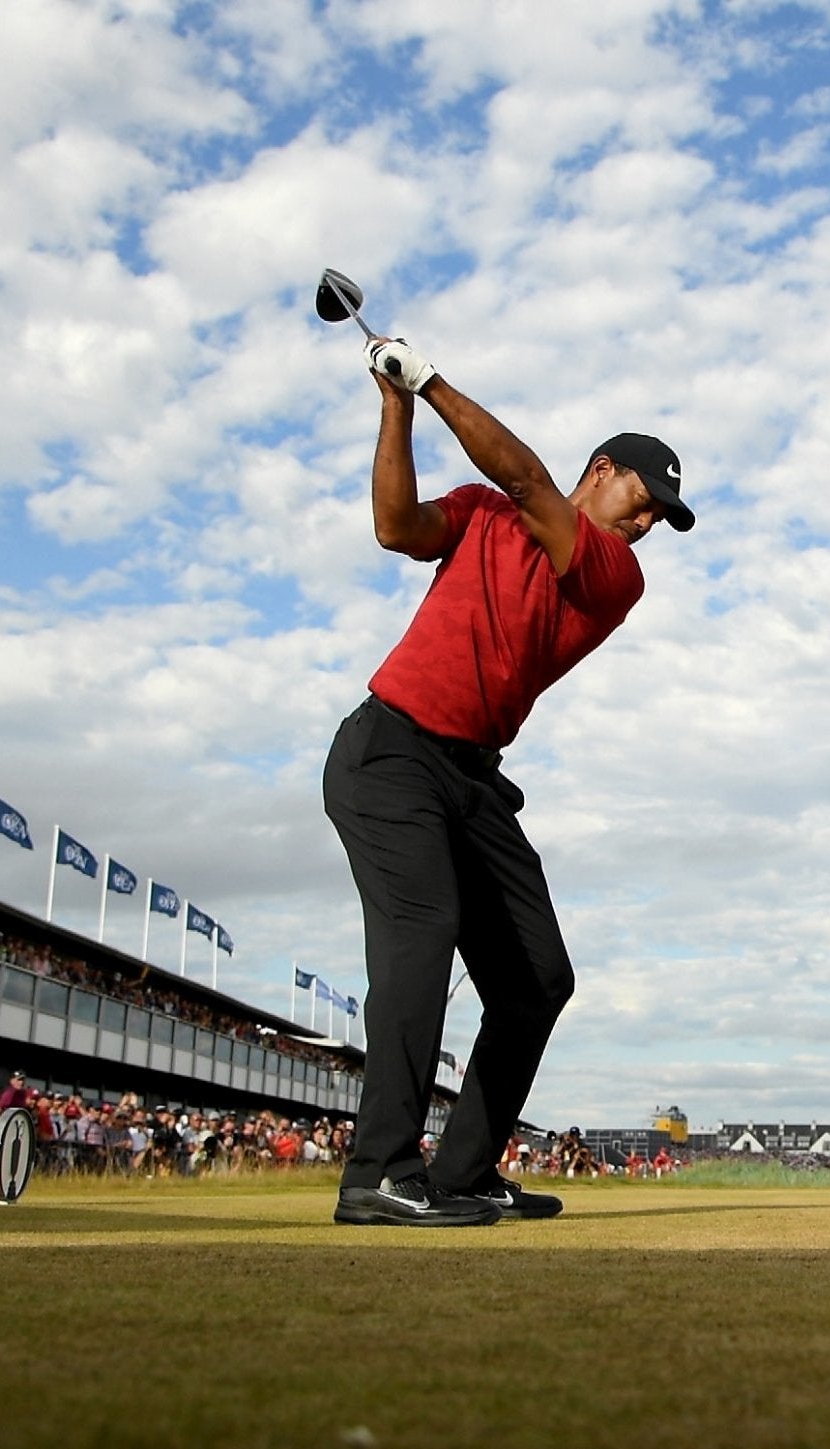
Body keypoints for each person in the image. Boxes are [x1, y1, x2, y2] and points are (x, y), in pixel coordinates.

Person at [321, 327, 694, 1227]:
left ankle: (461, 1172)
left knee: (536, 977)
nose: (647, 526)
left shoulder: (613, 574)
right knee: (425, 927)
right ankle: (379, 1169)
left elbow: (529, 482)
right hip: (390, 754)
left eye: (657, 521)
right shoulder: (482, 513)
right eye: (645, 502)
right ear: (601, 470)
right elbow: (395, 527)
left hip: (472, 779)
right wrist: (397, 407)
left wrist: (432, 378)